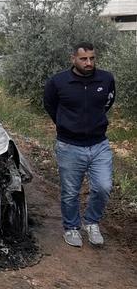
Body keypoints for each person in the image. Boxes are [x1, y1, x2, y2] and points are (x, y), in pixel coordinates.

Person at [43, 42, 115, 248]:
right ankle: (72, 227)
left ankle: (91, 223)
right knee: (70, 191)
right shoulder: (58, 82)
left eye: (92, 58)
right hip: (69, 145)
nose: (89, 62)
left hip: (99, 143)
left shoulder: (106, 79)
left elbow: (108, 102)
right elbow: (50, 104)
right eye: (84, 59)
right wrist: (65, 124)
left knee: (103, 187)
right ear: (73, 58)